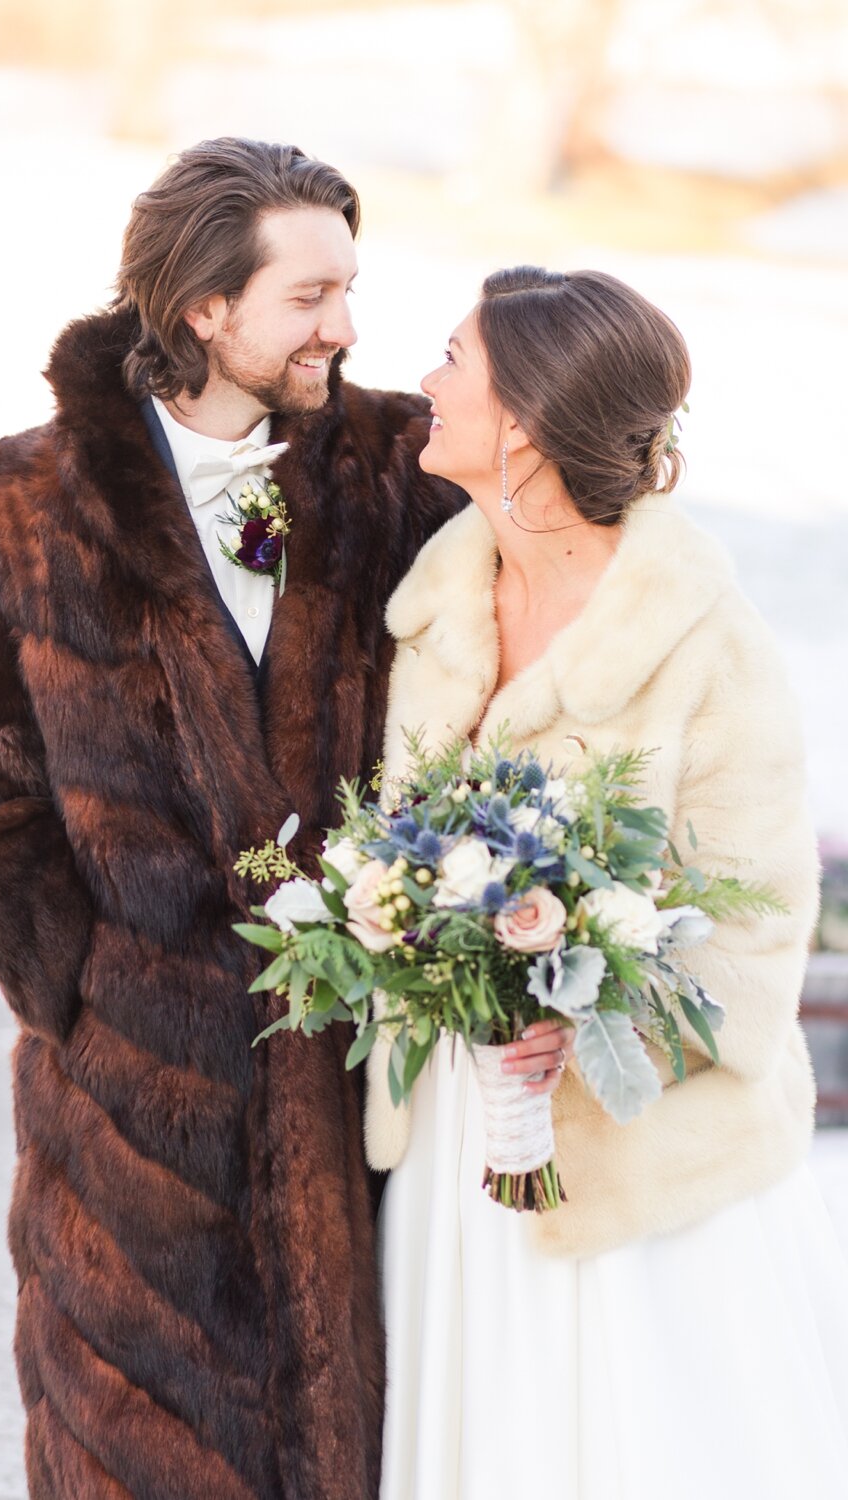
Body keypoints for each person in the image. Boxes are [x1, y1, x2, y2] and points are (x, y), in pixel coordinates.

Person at [0, 138, 463, 1500]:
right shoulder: (10, 510)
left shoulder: (397, 474)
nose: (348, 325)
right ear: (206, 307)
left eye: (350, 288)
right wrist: (89, 979)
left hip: (371, 1083)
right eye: (309, 295)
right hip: (137, 1114)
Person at [366, 265, 848, 1499]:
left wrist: (589, 1030)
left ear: (520, 422)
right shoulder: (433, 602)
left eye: (451, 362)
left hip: (637, 1151)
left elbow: (758, 912)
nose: (423, 384)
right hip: (453, 1134)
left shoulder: (703, 636)